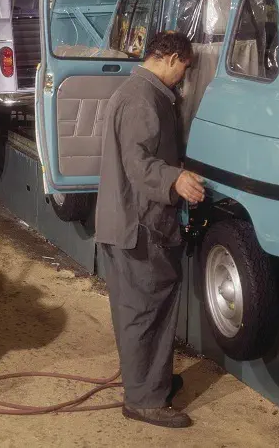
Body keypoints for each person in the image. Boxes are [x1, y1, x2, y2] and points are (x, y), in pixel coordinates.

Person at [96, 30, 206, 429]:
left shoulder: (140, 92)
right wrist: (175, 180)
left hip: (134, 222)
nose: (184, 78)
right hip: (136, 227)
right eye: (185, 69)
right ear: (172, 58)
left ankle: (151, 382)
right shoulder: (142, 98)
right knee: (143, 313)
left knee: (150, 309)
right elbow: (138, 164)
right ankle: (143, 399)